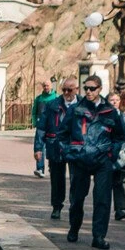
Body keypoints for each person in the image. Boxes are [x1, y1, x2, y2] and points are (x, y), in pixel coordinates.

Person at [61, 76, 123, 250]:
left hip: (103, 159)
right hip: (80, 159)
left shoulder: (110, 111)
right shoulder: (75, 109)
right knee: (77, 198)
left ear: (100, 89)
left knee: (102, 199)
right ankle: (74, 227)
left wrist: (112, 153)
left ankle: (99, 236)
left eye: (92, 88)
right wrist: (69, 152)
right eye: (86, 88)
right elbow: (62, 134)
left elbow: (118, 136)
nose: (88, 91)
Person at [40, 77, 78, 219]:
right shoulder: (52, 105)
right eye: (64, 90)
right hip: (55, 146)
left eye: (70, 90)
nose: (67, 93)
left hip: (75, 147)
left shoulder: (82, 105)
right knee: (56, 179)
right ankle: (57, 206)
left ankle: (75, 206)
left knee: (77, 179)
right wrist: (38, 148)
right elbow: (42, 127)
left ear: (76, 89)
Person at [30, 78, 57, 178]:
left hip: (52, 127)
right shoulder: (39, 98)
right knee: (39, 147)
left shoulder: (56, 98)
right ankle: (40, 168)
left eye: (48, 85)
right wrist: (34, 121)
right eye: (44, 86)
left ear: (51, 86)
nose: (46, 87)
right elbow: (34, 111)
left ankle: (52, 166)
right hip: (41, 126)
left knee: (51, 147)